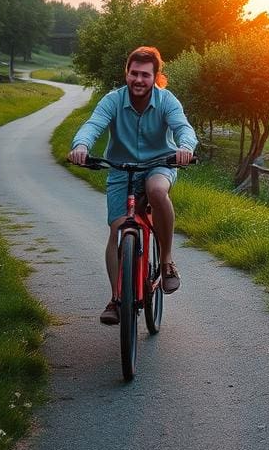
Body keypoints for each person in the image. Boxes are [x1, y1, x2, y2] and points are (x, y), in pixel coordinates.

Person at [68, 46, 197, 325]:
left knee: (157, 190)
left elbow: (183, 128)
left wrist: (185, 147)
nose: (139, 80)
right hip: (121, 170)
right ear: (126, 74)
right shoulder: (113, 100)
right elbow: (93, 125)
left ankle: (166, 261)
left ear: (155, 77)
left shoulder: (166, 101)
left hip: (159, 164)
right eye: (134, 73)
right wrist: (81, 145)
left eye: (145, 75)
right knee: (117, 231)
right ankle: (116, 298)